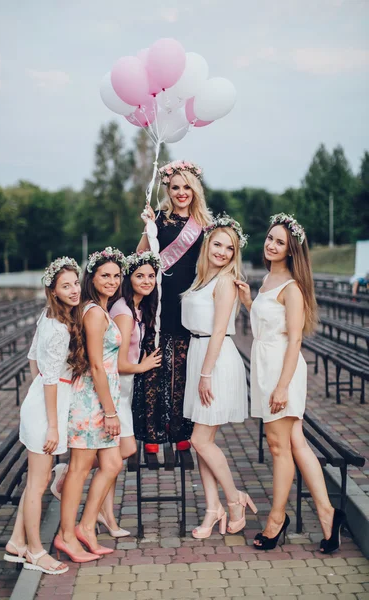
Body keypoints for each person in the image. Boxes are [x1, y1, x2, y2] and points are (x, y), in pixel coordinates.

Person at [236, 213, 345, 553]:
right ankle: (328, 514)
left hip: (282, 370)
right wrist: (249, 303)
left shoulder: (292, 288)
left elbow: (295, 340)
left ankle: (276, 519)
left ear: (291, 249)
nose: (271, 244)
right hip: (267, 364)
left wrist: (282, 386)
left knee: (279, 446)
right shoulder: (268, 280)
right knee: (294, 442)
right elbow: (269, 328)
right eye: (270, 238)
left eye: (280, 241)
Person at [4, 257, 83, 574]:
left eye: (76, 283)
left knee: (37, 481)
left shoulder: (49, 318)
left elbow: (33, 362)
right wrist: (52, 424)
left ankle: (16, 541)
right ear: (53, 290)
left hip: (41, 400)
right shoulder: (58, 330)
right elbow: (50, 379)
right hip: (47, 405)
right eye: (66, 286)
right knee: (38, 485)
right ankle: (35, 552)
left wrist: (37, 398)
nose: (74, 290)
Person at [181, 215, 256, 539]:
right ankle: (213, 509)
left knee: (200, 440)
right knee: (203, 442)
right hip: (199, 356)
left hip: (215, 360)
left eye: (230, 248)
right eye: (218, 244)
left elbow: (217, 331)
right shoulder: (200, 279)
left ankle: (234, 499)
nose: (223, 252)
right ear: (207, 243)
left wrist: (205, 374)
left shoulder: (225, 282)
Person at [54, 248, 125, 562]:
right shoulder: (94, 312)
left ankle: (86, 526)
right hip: (90, 401)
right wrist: (109, 411)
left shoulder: (100, 309)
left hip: (102, 397)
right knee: (79, 469)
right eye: (105, 275)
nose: (112, 280)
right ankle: (66, 535)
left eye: (115, 275)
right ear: (92, 279)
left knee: (111, 464)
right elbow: (97, 366)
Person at [135, 160, 212, 452]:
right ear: (167, 189)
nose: (181, 192)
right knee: (155, 366)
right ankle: (153, 433)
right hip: (159, 303)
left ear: (195, 190)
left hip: (188, 306)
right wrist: (147, 227)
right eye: (175, 187)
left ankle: (180, 430)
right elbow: (141, 256)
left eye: (186, 187)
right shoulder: (158, 220)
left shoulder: (204, 226)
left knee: (183, 369)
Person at [97, 251, 162, 536]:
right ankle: (73, 479)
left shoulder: (136, 307)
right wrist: (144, 365)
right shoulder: (123, 312)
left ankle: (106, 515)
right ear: (128, 279)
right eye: (139, 276)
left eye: (151, 276)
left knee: (115, 456)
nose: (147, 281)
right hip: (115, 389)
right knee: (124, 451)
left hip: (124, 390)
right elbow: (119, 363)